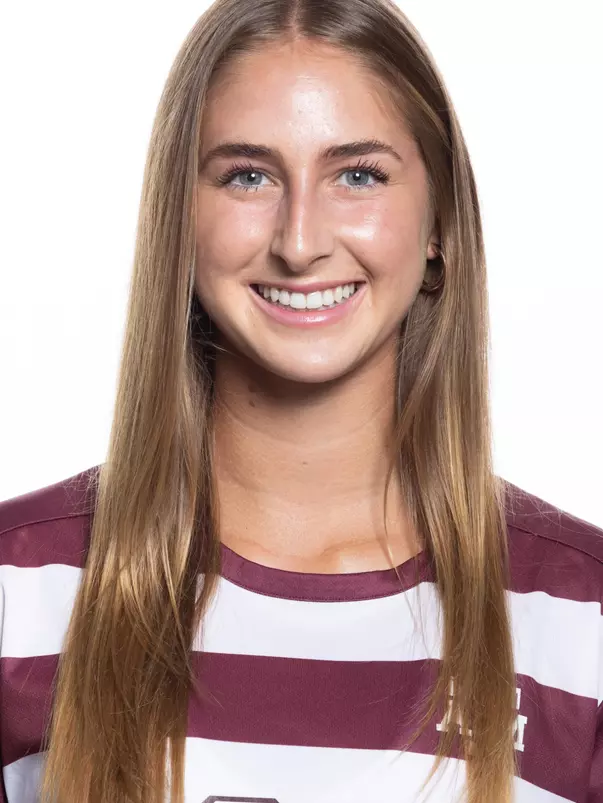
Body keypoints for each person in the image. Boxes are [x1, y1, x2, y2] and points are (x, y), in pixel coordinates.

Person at [0, 0, 601, 801]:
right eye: (247, 176)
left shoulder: (582, 619)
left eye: (358, 175)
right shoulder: (18, 592)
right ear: (180, 218)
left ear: (439, 225)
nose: (299, 241)